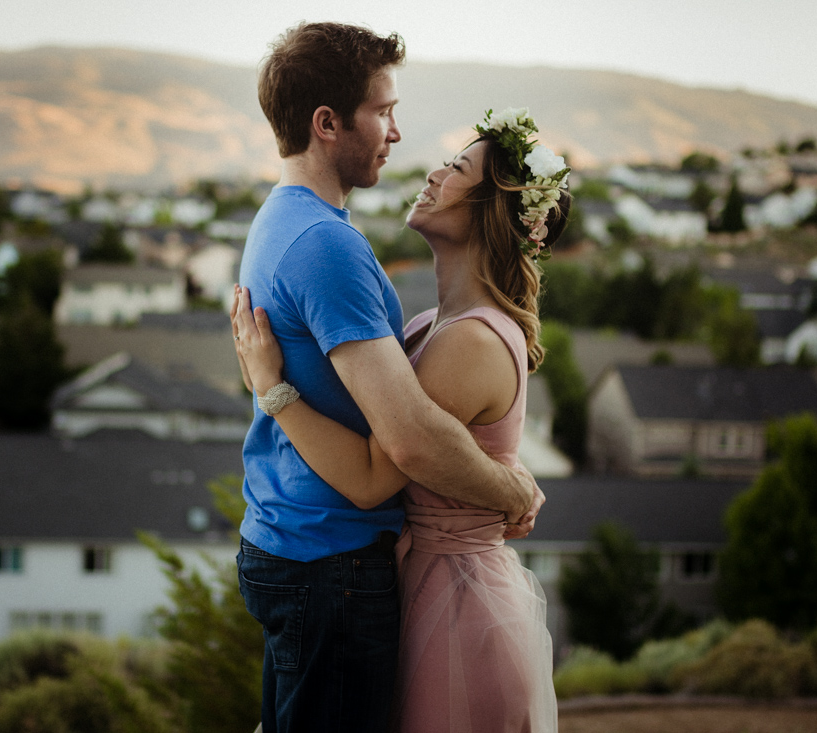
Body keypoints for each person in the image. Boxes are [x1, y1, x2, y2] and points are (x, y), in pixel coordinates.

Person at [235, 23, 544, 733]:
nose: (398, 134)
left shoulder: (283, 222)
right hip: (329, 560)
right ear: (327, 123)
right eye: (384, 111)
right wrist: (511, 489)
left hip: (301, 545)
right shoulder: (326, 245)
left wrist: (272, 391)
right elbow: (399, 451)